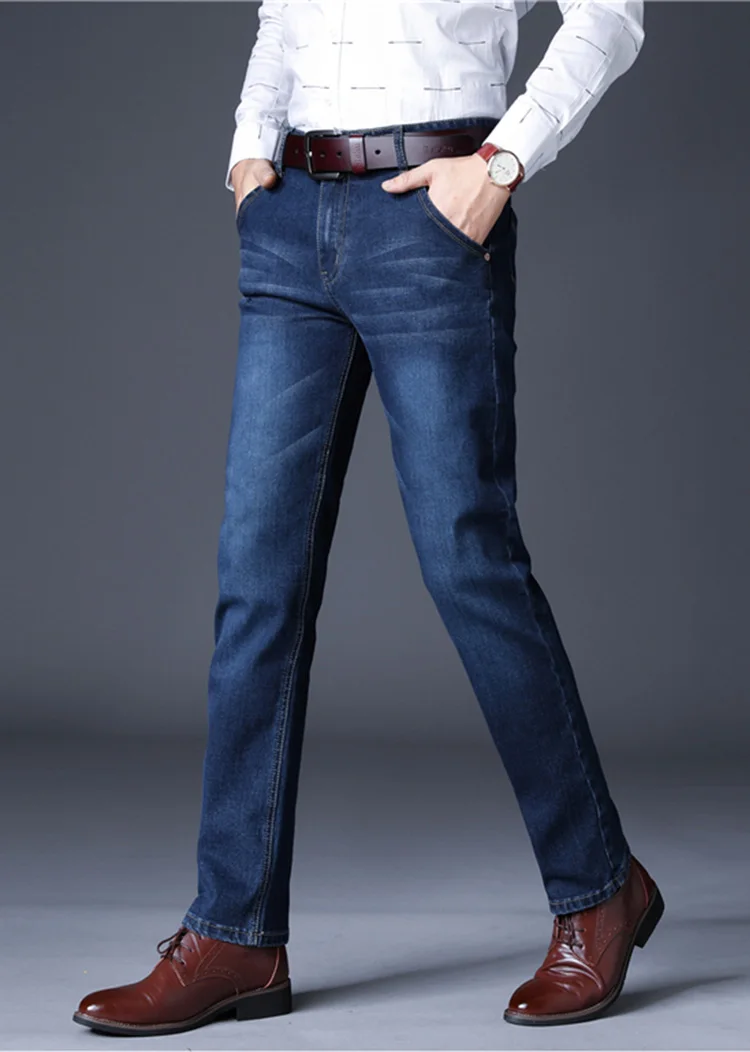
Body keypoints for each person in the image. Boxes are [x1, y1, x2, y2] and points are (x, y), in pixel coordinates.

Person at [73, 0, 663, 1037]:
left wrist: (503, 163)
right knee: (256, 580)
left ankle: (597, 887)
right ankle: (235, 933)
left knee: (467, 560)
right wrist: (250, 149)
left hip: (430, 211)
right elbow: (279, 18)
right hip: (290, 219)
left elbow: (610, 14)